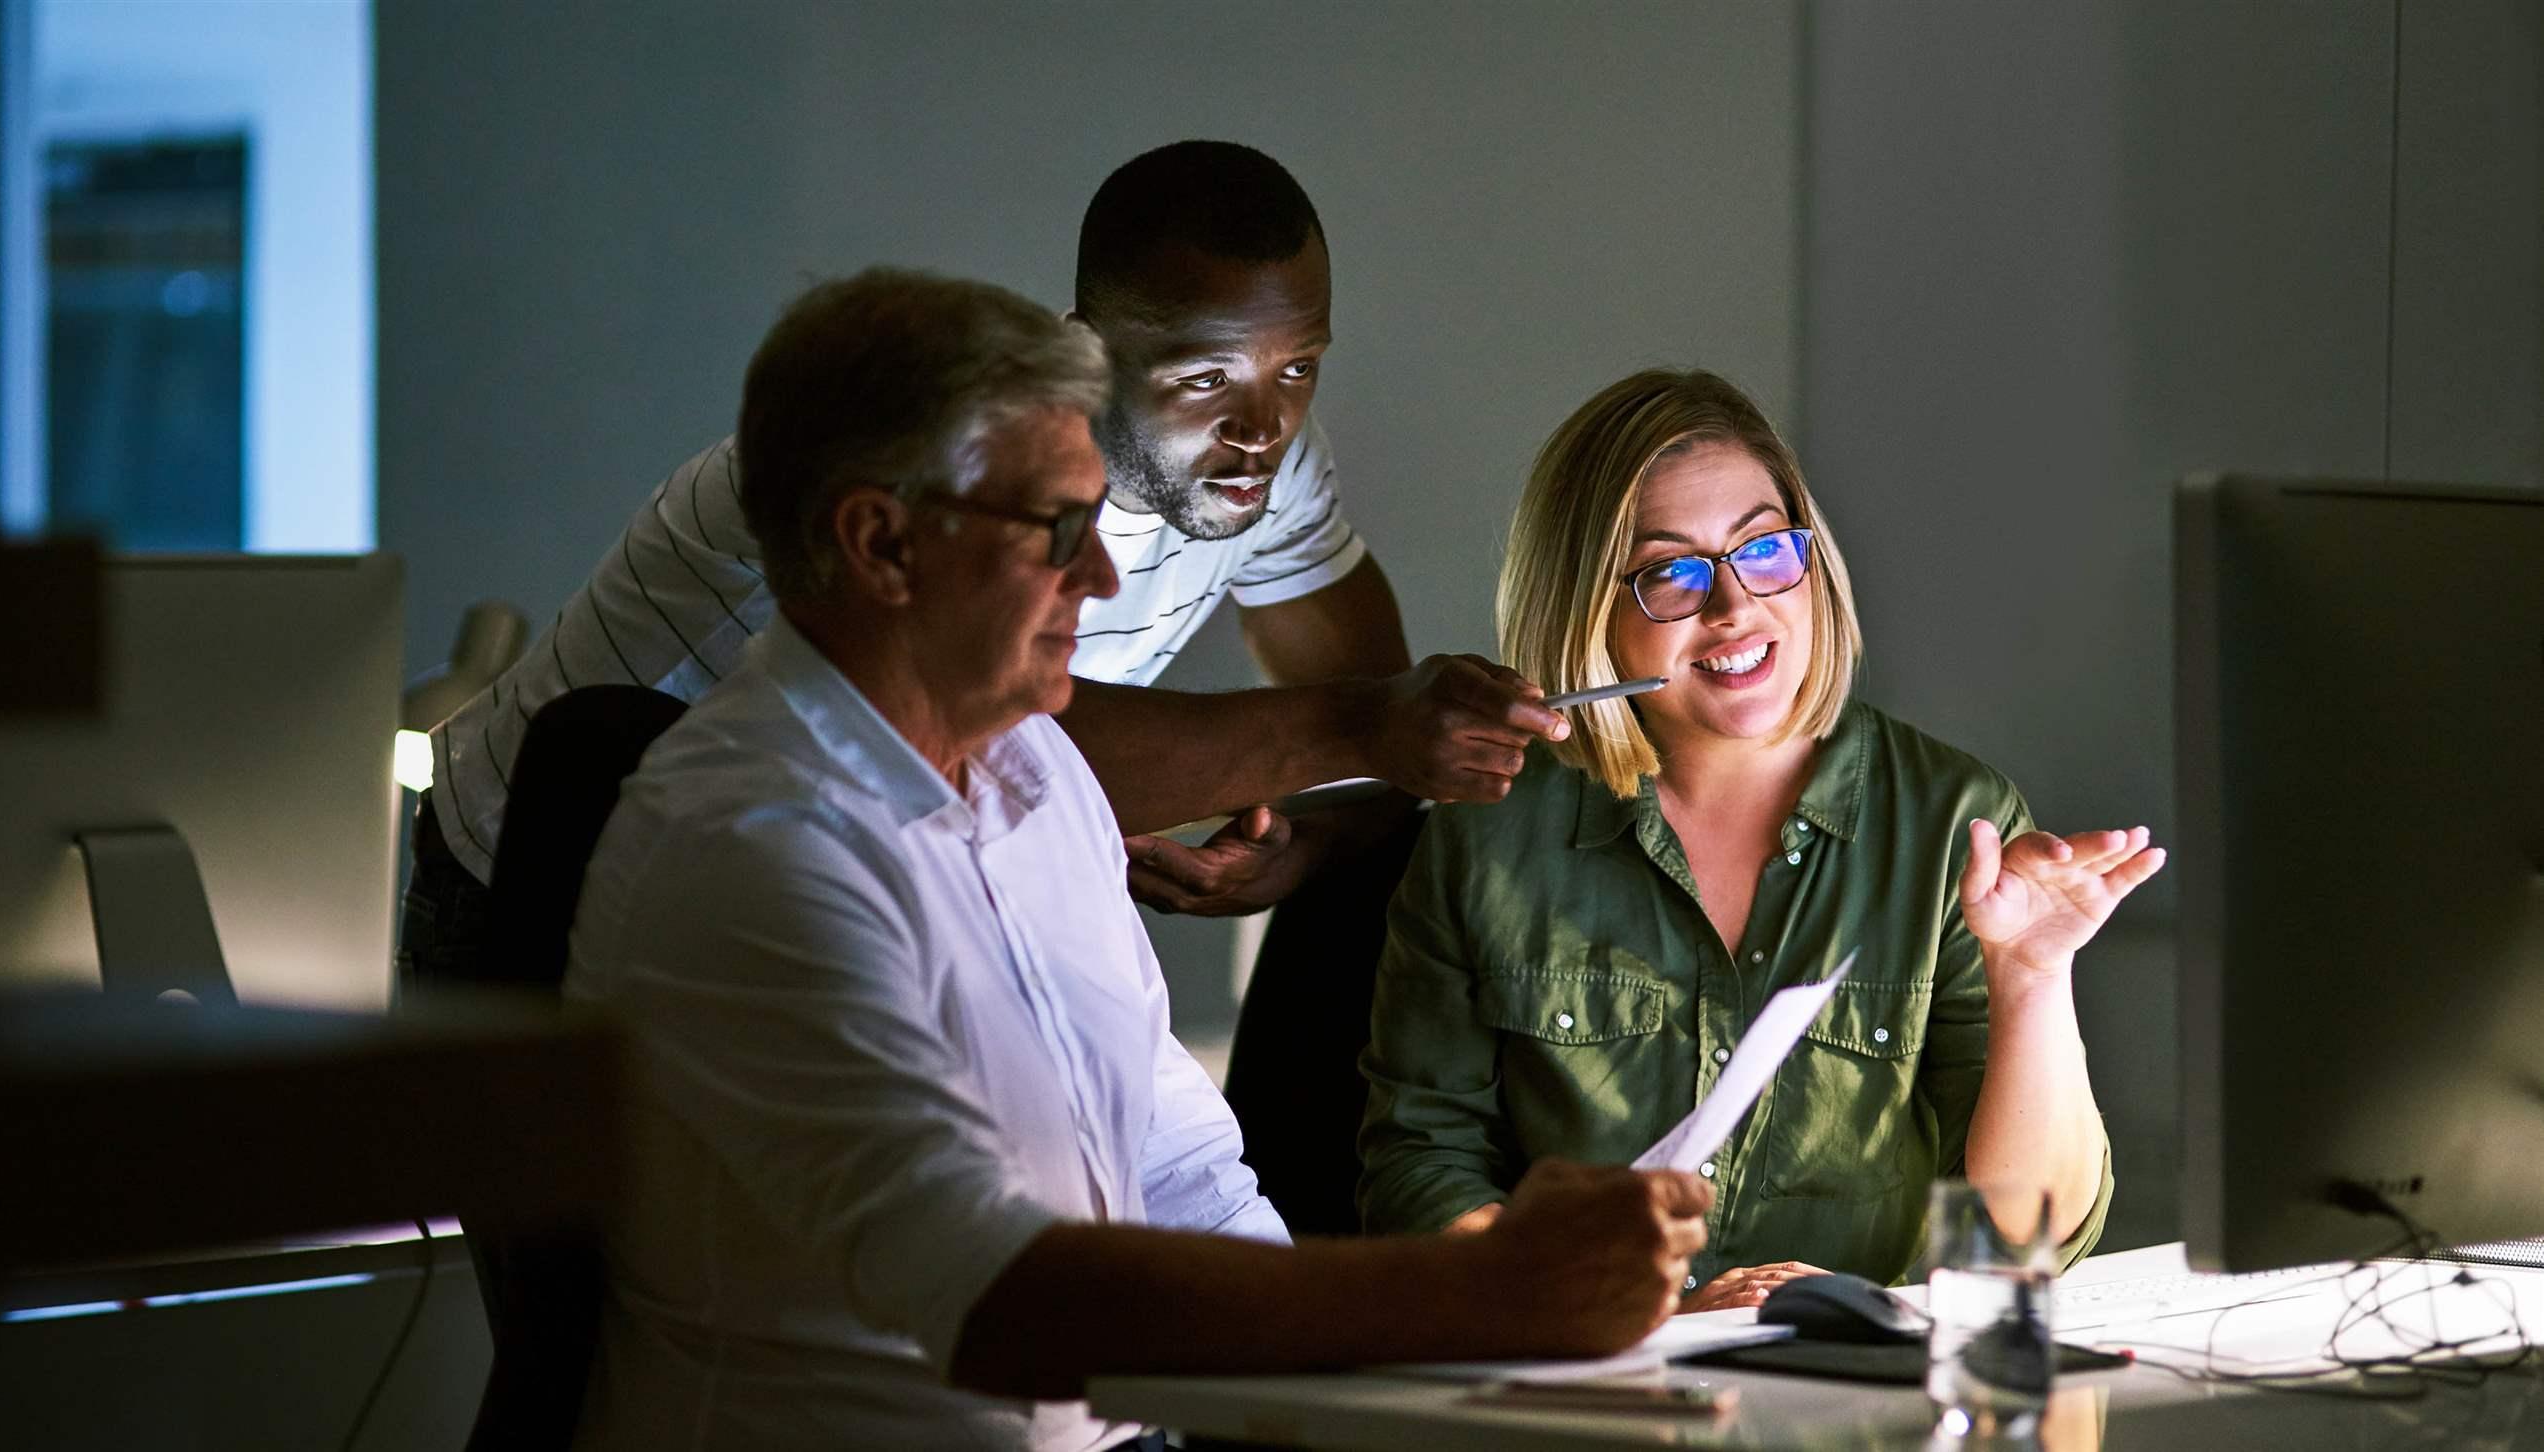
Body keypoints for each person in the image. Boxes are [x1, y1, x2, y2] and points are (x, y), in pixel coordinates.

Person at [562, 270, 1709, 1451]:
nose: (1102, 579)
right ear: (883, 542)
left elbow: (1184, 1173)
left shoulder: (1041, 774)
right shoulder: (755, 849)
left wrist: (1392, 1380)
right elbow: (1003, 1303)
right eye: (1057, 531)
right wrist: (1484, 1292)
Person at [404, 140, 1560, 986]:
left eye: (1298, 367)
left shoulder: (1261, 462)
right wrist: (1367, 730)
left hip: (850, 888)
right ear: (1092, 351)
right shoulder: (917, 466)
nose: (1263, 425)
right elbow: (1003, 742)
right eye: (1207, 379)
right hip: (540, 881)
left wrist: (1300, 852)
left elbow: (1363, 733)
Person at [1355, 368, 2160, 1310]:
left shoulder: (1953, 818)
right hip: (1599, 1387)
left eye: (1765, 551)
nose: (1734, 608)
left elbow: (2030, 1241)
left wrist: (2032, 976)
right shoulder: (1486, 833)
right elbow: (1421, 1169)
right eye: (1671, 573)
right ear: (1586, 612)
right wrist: (1612, 1300)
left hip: (1867, 1398)